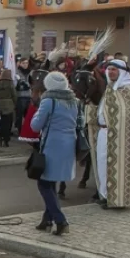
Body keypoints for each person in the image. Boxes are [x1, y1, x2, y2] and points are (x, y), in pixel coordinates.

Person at [30, 72, 79, 236]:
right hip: (69, 144)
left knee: (43, 184)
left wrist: (37, 114)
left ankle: (60, 220)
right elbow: (82, 122)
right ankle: (47, 220)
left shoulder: (48, 101)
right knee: (52, 182)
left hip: (52, 145)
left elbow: (35, 126)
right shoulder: (75, 101)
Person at [92, 60, 130, 209]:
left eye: (114, 70)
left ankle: (118, 199)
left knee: (116, 166)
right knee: (102, 165)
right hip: (103, 133)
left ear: (121, 72)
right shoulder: (110, 89)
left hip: (119, 136)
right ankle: (105, 196)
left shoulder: (128, 90)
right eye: (109, 70)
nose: (111, 72)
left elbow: (128, 114)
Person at [0, 69, 17, 147]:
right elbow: (14, 94)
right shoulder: (10, 83)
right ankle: (6, 141)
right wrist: (15, 103)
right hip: (9, 104)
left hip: (0, 103)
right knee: (8, 123)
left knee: (1, 123)